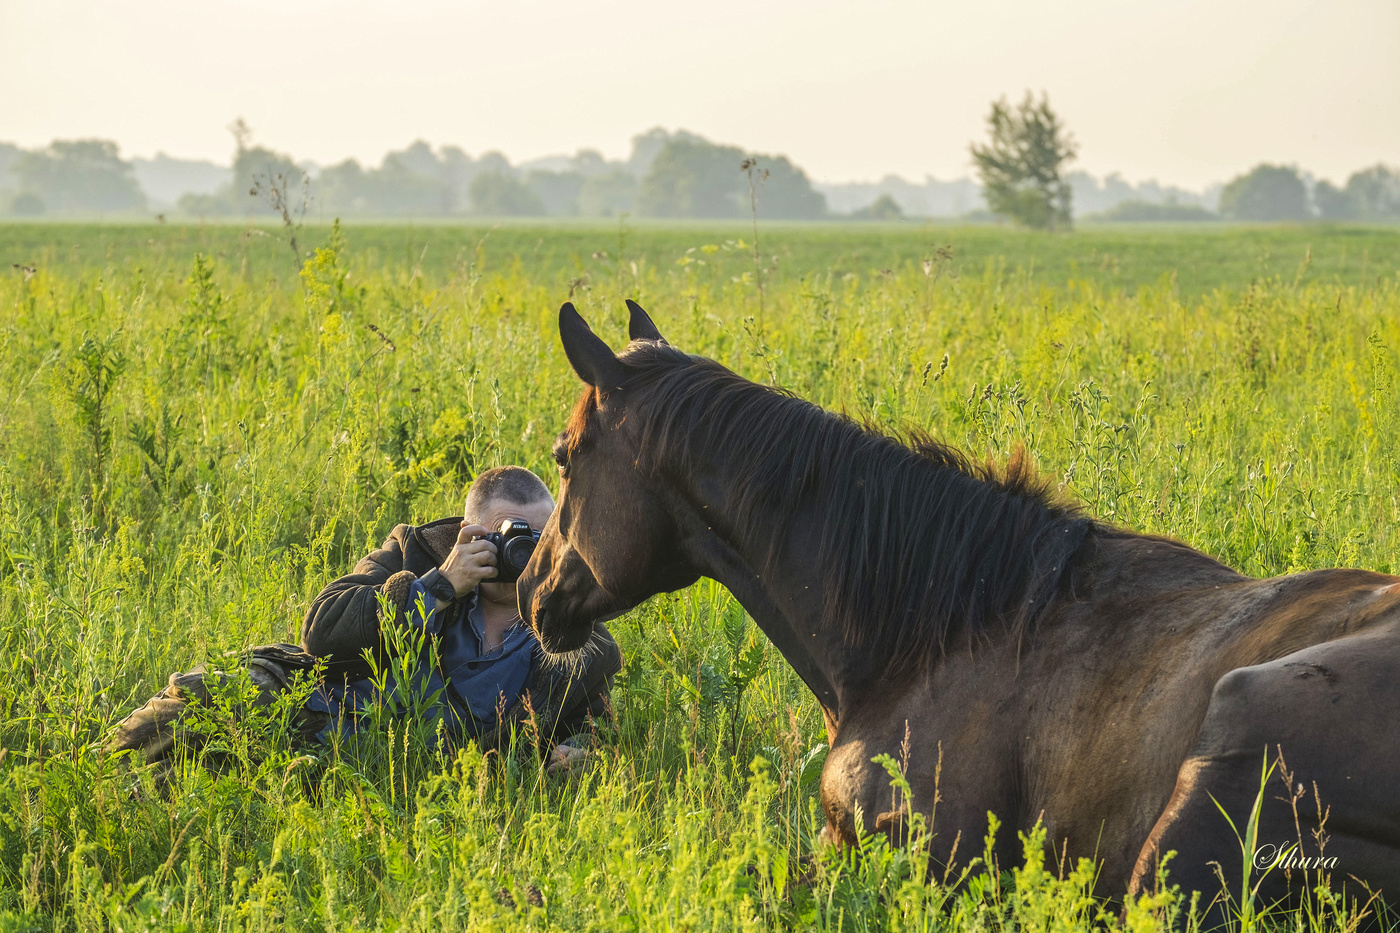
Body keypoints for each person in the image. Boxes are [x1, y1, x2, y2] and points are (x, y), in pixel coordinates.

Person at [109, 466, 621, 775]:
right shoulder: (415, 555)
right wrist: (438, 586)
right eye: (508, 534)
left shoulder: (570, 638)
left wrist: (582, 752)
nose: (522, 552)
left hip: (388, 768)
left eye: (537, 536)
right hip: (313, 712)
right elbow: (320, 634)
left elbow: (595, 726)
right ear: (469, 531)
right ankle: (90, 779)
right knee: (205, 700)